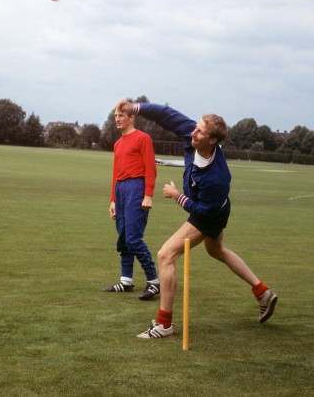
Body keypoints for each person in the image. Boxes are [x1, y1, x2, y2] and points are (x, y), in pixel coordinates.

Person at [114, 100, 278, 338]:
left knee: (166, 254)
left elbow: (202, 212)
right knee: (216, 250)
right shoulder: (194, 135)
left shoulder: (217, 178)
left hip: (210, 213)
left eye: (200, 130)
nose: (193, 132)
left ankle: (164, 324)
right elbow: (166, 114)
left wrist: (177, 196)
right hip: (213, 208)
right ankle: (262, 292)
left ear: (212, 140)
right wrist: (136, 108)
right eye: (196, 126)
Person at [103, 104, 160, 300]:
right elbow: (115, 174)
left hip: (137, 188)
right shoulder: (118, 144)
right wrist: (112, 200)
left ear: (131, 117)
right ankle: (126, 281)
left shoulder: (143, 138)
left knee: (133, 238)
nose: (117, 119)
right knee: (124, 236)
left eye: (121, 115)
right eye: (115, 116)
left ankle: (154, 281)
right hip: (120, 190)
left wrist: (148, 194)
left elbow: (151, 169)